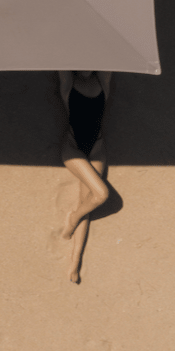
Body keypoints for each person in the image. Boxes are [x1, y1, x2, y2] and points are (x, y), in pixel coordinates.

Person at [58, 70, 112, 283]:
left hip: (97, 148)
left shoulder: (103, 80)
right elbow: (62, 64)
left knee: (87, 203)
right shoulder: (67, 83)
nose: (87, 68)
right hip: (73, 149)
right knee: (101, 195)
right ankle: (72, 219)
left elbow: (108, 65)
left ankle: (75, 262)